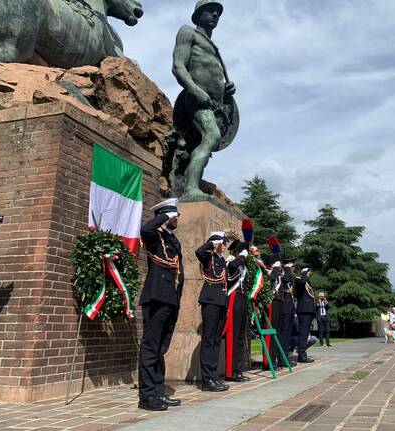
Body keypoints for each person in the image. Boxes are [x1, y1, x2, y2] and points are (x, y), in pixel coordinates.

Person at [171, 0, 237, 200]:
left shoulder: (214, 47)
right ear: (198, 15)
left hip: (217, 107)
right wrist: (193, 89)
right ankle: (191, 189)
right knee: (212, 137)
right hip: (197, 100)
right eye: (210, 10)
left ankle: (189, 183)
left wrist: (227, 89)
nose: (215, 14)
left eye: (217, 12)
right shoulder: (188, 32)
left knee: (204, 147)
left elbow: (213, 74)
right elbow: (178, 66)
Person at [138, 199, 184, 411]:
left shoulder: (171, 239)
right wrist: (164, 216)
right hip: (156, 297)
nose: (177, 219)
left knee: (160, 349)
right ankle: (147, 397)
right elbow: (145, 228)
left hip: (170, 299)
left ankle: (158, 392)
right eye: (175, 215)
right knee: (150, 347)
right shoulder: (154, 237)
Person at [196, 231, 231, 391]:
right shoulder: (208, 257)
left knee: (216, 340)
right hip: (210, 302)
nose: (224, 246)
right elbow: (199, 252)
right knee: (209, 339)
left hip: (221, 302)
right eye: (222, 242)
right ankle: (207, 379)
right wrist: (212, 243)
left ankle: (213, 375)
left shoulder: (221, 260)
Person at [224, 241, 250, 382]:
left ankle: (238, 370)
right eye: (243, 252)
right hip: (234, 299)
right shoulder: (232, 262)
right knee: (233, 336)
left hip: (242, 300)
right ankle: (231, 371)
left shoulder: (243, 266)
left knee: (240, 337)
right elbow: (232, 268)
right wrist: (239, 257)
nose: (245, 255)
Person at [295, 268, 316, 363]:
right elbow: (302, 282)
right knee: (303, 333)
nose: (309, 274)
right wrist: (304, 273)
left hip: (308, 310)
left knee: (305, 334)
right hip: (304, 310)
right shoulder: (299, 279)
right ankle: (301, 355)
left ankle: (302, 353)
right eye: (308, 272)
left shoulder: (307, 280)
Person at [278, 262, 297, 367]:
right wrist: (287, 269)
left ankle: (285, 357)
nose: (292, 270)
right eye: (292, 268)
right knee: (284, 334)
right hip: (285, 308)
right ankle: (282, 358)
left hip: (289, 308)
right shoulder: (284, 274)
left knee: (288, 334)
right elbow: (286, 279)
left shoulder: (288, 275)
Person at [266, 261, 284, 369]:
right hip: (272, 303)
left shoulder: (279, 276)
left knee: (277, 332)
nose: (280, 269)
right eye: (278, 267)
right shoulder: (270, 273)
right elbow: (271, 278)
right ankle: (270, 361)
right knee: (271, 332)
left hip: (279, 303)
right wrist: (274, 269)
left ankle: (275, 359)